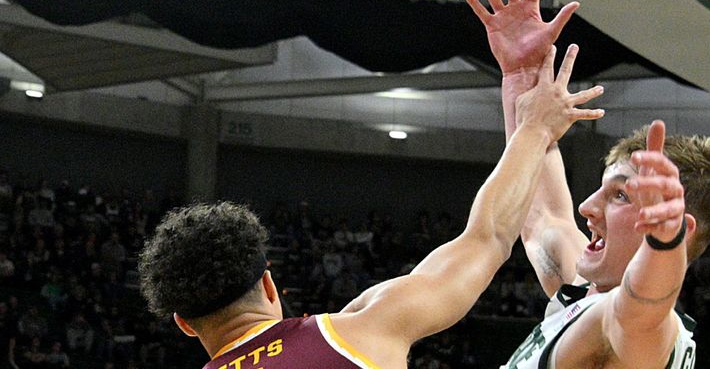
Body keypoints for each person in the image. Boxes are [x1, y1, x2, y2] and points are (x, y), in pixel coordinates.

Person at [138, 43, 604, 369]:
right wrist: (535, 126)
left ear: (184, 324)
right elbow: (488, 237)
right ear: (268, 283)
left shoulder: (359, 324)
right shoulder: (358, 332)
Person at [463, 0, 710, 369]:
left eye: (621, 196)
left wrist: (664, 245)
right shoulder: (580, 290)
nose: (587, 207)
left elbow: (643, 307)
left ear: (675, 230)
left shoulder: (648, 331)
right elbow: (541, 219)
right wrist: (522, 77)